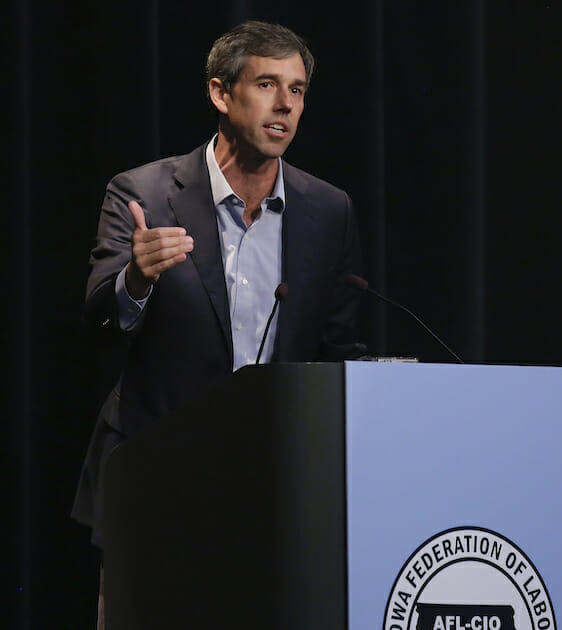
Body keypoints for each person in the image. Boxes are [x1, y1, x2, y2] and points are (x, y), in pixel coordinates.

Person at [70, 20, 364, 628]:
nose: (286, 104)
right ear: (220, 94)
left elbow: (338, 350)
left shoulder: (328, 210)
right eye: (266, 84)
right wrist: (136, 279)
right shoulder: (144, 194)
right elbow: (99, 325)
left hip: (272, 492)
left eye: (298, 89)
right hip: (156, 485)